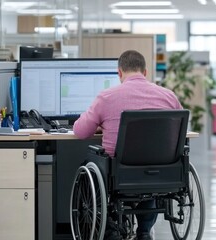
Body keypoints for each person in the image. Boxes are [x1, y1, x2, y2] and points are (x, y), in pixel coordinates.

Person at [73, 50, 182, 240]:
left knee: (90, 162)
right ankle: (145, 231)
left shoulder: (106, 97)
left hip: (120, 171)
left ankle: (111, 229)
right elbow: (180, 128)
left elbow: (81, 132)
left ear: (120, 73)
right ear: (145, 72)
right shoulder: (168, 96)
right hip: (160, 170)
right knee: (150, 168)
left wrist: (102, 124)